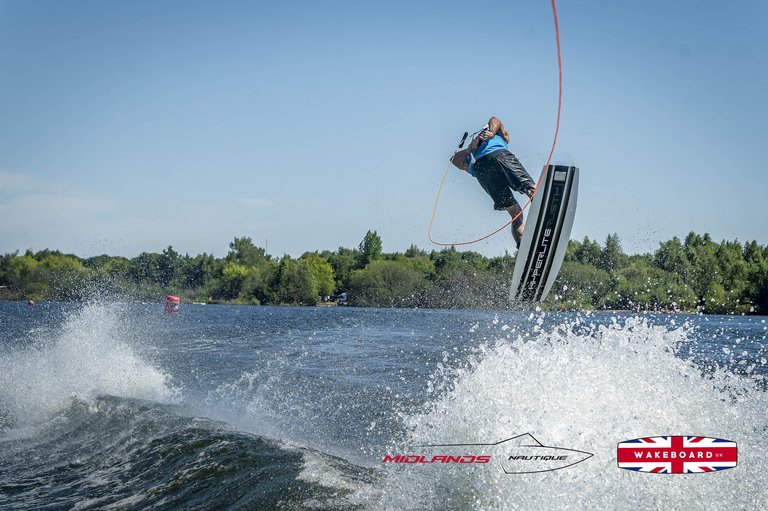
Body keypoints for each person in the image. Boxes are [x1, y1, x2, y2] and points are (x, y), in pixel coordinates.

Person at [450, 116, 536, 248]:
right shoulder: (473, 151)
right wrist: (469, 149)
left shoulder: (497, 136)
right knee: (531, 189)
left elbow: (495, 120)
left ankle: (522, 244)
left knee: (515, 213)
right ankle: (542, 221)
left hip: (483, 172)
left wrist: (490, 133)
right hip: (496, 160)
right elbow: (453, 160)